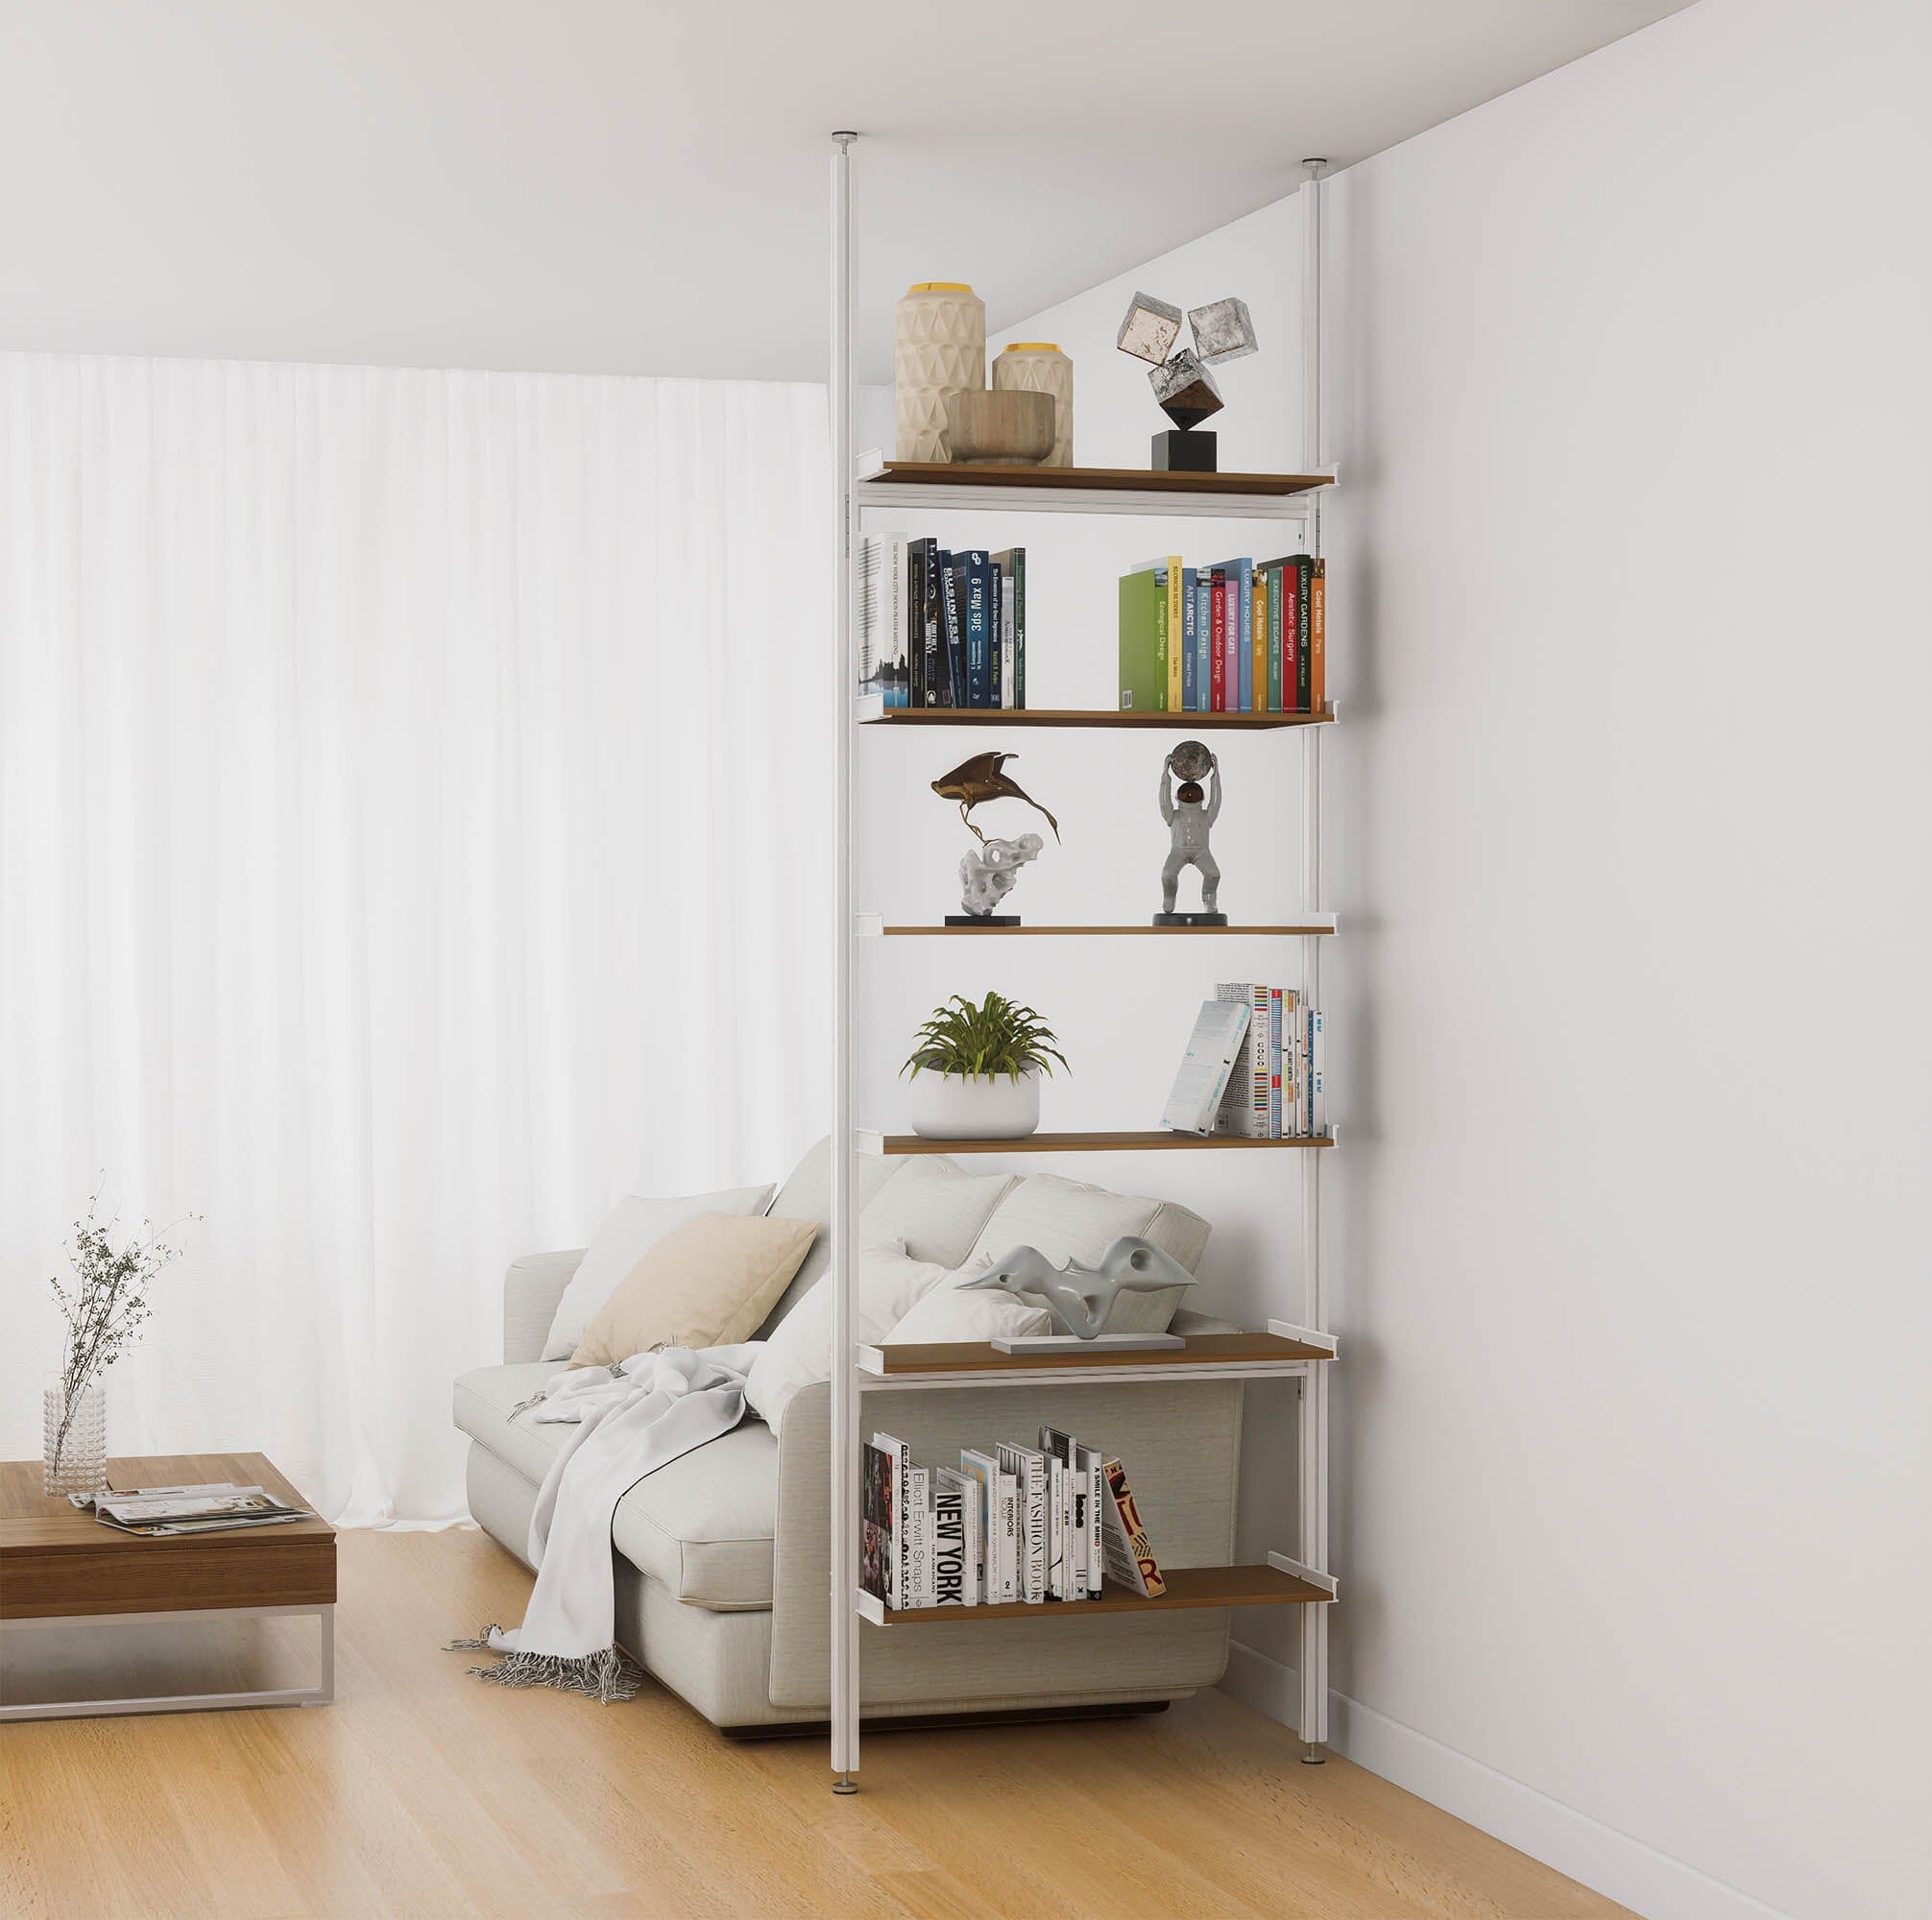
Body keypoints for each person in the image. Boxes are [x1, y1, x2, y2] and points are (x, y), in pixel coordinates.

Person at [1159, 748, 1222, 915]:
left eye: (1193, 794)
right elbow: (1164, 801)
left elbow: (1216, 802)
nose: (1189, 795)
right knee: (1167, 875)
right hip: (1177, 851)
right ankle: (1169, 896)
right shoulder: (1173, 815)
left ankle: (1209, 898)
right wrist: (1165, 774)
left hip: (1201, 852)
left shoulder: (1205, 816)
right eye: (1186, 795)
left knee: (1213, 874)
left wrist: (1216, 776)